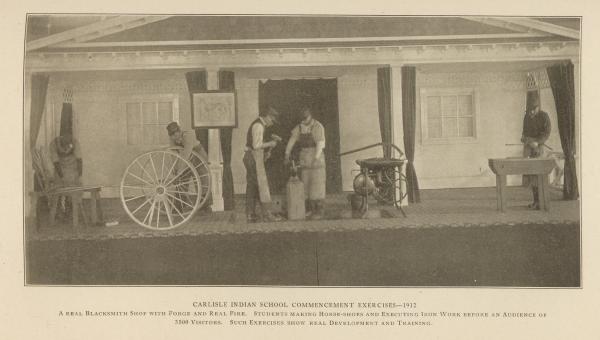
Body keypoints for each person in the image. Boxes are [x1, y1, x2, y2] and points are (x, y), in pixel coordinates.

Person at [284, 106, 326, 220]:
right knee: (305, 184)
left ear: (310, 115)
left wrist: (316, 158)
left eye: (305, 117)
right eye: (302, 118)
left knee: (317, 185)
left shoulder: (317, 126)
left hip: (316, 157)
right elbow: (292, 139)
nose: (303, 120)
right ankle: (309, 209)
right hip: (304, 157)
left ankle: (319, 210)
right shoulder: (299, 127)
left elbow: (320, 144)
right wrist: (287, 153)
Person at [244, 106, 283, 223]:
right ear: (267, 116)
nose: (272, 123)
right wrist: (271, 143)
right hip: (252, 157)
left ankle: (251, 214)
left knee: (253, 187)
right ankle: (266, 214)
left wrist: (265, 154)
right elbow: (256, 145)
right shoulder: (258, 126)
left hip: (254, 156)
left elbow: (258, 145)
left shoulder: (261, 125)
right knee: (261, 186)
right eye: (272, 120)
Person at [165, 122, 211, 211]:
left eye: (176, 133)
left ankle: (205, 206)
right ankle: (179, 206)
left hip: (198, 155)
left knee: (201, 179)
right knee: (182, 180)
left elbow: (186, 153)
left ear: (179, 130)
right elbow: (174, 154)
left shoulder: (188, 135)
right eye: (172, 135)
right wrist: (175, 167)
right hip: (184, 157)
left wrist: (180, 169)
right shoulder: (172, 139)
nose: (175, 136)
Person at [520, 92, 551, 210]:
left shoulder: (544, 116)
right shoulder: (527, 116)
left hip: (538, 147)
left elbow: (546, 133)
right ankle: (536, 201)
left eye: (533, 110)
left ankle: (542, 202)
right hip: (528, 147)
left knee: (540, 174)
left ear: (538, 107)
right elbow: (523, 132)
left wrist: (537, 142)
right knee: (531, 176)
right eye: (529, 111)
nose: (531, 113)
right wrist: (524, 138)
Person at [48, 133, 83, 220]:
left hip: (73, 173)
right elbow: (55, 162)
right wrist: (63, 177)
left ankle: (71, 210)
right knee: (59, 190)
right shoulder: (53, 144)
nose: (67, 139)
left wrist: (79, 175)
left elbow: (79, 161)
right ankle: (60, 212)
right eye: (64, 136)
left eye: (69, 136)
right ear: (60, 136)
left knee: (75, 189)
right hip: (60, 175)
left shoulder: (75, 142)